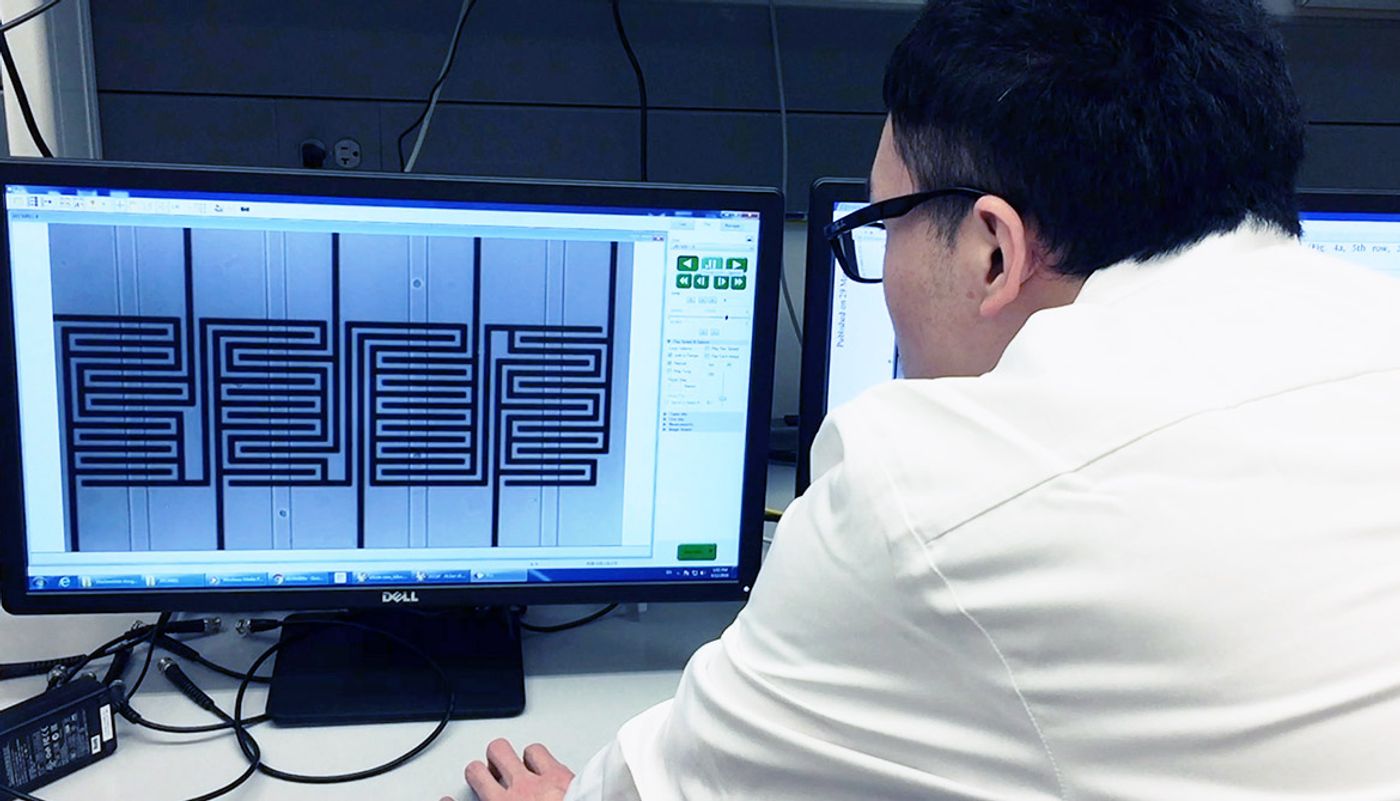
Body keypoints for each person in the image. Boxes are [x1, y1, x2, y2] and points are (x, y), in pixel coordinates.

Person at [446, 0, 1400, 798]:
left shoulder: (934, 490)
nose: (882, 265)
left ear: (993, 249)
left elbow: (667, 786)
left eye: (881, 221)